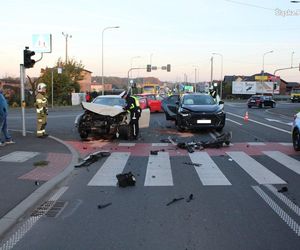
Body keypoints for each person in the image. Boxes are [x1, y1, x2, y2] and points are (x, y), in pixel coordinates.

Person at [0, 81, 15, 146]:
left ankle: (8, 139)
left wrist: (7, 97)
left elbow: (4, 102)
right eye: (1, 86)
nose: (2, 88)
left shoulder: (1, 94)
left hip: (4, 113)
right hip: (1, 114)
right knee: (1, 127)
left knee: (4, 127)